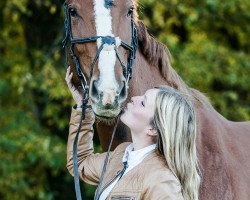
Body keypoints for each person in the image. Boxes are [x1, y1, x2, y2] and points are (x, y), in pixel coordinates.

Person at [65, 68, 201, 200]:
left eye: (143, 103)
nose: (134, 98)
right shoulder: (122, 154)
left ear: (153, 129)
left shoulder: (161, 181)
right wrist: (83, 107)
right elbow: (79, 163)